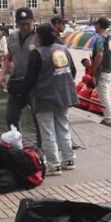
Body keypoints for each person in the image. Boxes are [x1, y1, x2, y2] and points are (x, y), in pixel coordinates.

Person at [22, 23, 77, 175]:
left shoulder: (37, 54)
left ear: (39, 36)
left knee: (48, 131)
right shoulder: (63, 49)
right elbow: (73, 71)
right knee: (63, 127)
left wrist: (22, 92)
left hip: (44, 97)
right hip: (63, 95)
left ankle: (54, 164)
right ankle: (69, 159)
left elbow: (30, 79)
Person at [0, 7, 39, 138]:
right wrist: (3, 75)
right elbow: (8, 57)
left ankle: (42, 147)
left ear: (34, 21)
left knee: (38, 117)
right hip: (16, 82)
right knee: (11, 117)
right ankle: (18, 145)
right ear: (16, 24)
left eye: (28, 23)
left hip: (34, 84)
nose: (25, 27)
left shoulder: (39, 37)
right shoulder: (12, 37)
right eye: (22, 24)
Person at [90, 17, 111, 126]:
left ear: (99, 25)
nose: (95, 27)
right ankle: (108, 117)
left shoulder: (100, 39)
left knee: (103, 95)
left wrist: (94, 69)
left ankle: (108, 119)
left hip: (102, 70)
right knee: (105, 94)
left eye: (96, 24)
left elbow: (100, 54)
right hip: (108, 68)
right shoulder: (110, 38)